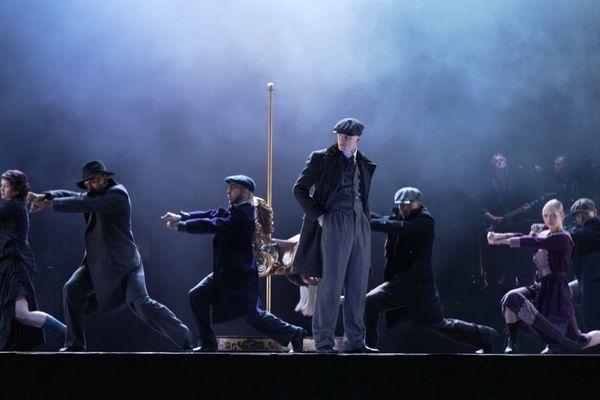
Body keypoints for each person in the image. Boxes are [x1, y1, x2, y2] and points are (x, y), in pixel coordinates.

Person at [27, 160, 192, 352]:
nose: (90, 185)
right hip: (97, 263)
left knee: (142, 305)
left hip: (125, 265)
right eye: (87, 183)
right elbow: (74, 195)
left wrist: (50, 203)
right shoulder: (93, 194)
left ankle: (184, 337)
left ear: (105, 178)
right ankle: (74, 344)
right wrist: (46, 196)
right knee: (71, 289)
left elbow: (85, 202)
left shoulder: (118, 195)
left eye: (95, 180)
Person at [161, 175, 306, 352]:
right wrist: (183, 216)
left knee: (253, 316)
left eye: (233, 188)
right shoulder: (235, 209)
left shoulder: (243, 215)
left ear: (245, 191)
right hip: (226, 273)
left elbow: (215, 223)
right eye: (229, 188)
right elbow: (212, 214)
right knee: (197, 295)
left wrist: (183, 226)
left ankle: (294, 333)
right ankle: (208, 343)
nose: (228, 191)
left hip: (239, 277)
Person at [365, 187, 498, 353]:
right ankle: (368, 346)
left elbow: (399, 227)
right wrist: (361, 211)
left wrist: (369, 222)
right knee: (370, 302)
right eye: (400, 205)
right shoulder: (401, 217)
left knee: (440, 325)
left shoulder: (424, 221)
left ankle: (485, 335)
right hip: (401, 283)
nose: (404, 208)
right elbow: (384, 219)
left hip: (419, 287)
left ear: (418, 204)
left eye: (407, 205)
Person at [292, 117, 377, 353]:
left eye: (348, 136)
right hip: (334, 221)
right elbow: (299, 189)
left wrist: (365, 220)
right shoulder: (322, 158)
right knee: (331, 283)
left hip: (359, 222)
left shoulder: (363, 162)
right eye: (339, 135)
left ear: (358, 139)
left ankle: (355, 342)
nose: (342, 139)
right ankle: (324, 343)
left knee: (358, 284)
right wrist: (320, 216)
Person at [487, 199, 600, 354]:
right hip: (542, 286)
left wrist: (504, 241)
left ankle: (555, 341)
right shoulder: (553, 232)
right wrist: (499, 236)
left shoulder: (571, 234)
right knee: (511, 298)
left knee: (581, 338)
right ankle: (513, 340)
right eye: (545, 216)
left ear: (562, 215)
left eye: (553, 216)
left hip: (571, 287)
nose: (549, 219)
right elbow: (527, 235)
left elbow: (533, 241)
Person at [1, 170, 66, 350]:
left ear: (15, 190)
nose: (2, 190)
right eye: (1, 186)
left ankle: (69, 333)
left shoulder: (12, 206)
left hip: (14, 265)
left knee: (22, 314)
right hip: (8, 265)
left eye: (5, 187)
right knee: (19, 314)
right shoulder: (12, 207)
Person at [566, 198, 600, 333]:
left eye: (586, 213)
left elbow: (576, 234)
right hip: (585, 280)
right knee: (562, 294)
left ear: (594, 212)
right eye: (579, 215)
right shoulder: (577, 231)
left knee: (593, 319)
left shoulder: (596, 225)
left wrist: (551, 228)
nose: (583, 217)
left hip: (595, 281)